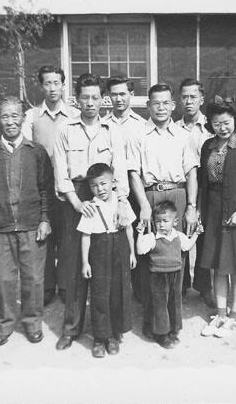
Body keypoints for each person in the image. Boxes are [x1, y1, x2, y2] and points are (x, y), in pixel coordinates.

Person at [53, 73, 132, 351]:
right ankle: (71, 329)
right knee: (77, 266)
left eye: (95, 97)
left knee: (109, 268)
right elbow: (61, 174)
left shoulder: (113, 131)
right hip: (77, 198)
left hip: (106, 196)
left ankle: (110, 332)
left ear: (103, 99)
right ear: (76, 99)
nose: (90, 103)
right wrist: (76, 203)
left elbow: (120, 171)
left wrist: (122, 202)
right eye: (84, 97)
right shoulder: (65, 129)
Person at [0, 96, 53, 346]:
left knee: (33, 278)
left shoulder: (36, 152)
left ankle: (32, 323)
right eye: (5, 116)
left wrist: (44, 218)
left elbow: (45, 189)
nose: (11, 121)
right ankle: (5, 323)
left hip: (31, 226)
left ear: (22, 118)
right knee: (4, 279)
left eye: (15, 115)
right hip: (0, 227)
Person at [127, 82, 200, 340]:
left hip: (177, 194)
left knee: (176, 257)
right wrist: (144, 205)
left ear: (173, 105)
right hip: (151, 195)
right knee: (152, 260)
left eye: (165, 102)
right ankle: (155, 323)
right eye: (155, 103)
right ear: (148, 105)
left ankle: (173, 324)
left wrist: (191, 206)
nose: (160, 107)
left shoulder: (183, 135)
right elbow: (133, 173)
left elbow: (191, 172)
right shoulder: (138, 134)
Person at [198, 99, 236, 338]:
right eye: (216, 123)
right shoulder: (208, 146)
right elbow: (205, 181)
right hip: (214, 211)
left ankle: (235, 316)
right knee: (218, 265)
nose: (222, 127)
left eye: (226, 122)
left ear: (235, 120)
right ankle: (221, 314)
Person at [22, 65, 80, 306]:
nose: (53, 88)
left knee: (68, 237)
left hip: (67, 187)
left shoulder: (75, 115)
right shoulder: (31, 116)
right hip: (42, 188)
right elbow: (25, 151)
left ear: (63, 85)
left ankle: (66, 284)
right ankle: (47, 286)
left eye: (57, 83)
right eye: (48, 83)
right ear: (41, 85)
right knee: (44, 236)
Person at [78, 163, 136, 358]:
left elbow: (128, 228)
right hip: (99, 250)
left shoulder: (122, 204)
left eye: (103, 184)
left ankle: (113, 335)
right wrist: (85, 262)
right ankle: (100, 337)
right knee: (100, 294)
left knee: (119, 291)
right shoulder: (91, 207)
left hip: (120, 248)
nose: (100, 189)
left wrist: (132, 253)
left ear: (112, 182)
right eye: (94, 186)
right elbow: (85, 236)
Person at [136, 201, 202, 349]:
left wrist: (196, 233)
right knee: (159, 305)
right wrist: (140, 233)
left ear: (175, 221)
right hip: (158, 277)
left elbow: (188, 245)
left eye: (166, 221)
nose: (162, 225)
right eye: (158, 221)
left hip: (175, 276)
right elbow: (140, 250)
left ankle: (172, 329)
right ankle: (161, 334)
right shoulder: (152, 237)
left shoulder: (179, 236)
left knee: (174, 303)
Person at [103, 76, 146, 301]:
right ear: (108, 97)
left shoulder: (141, 125)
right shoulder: (103, 124)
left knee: (139, 238)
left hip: (138, 192)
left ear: (131, 94)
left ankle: (140, 290)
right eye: (114, 94)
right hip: (113, 195)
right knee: (116, 241)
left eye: (123, 94)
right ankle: (119, 291)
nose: (118, 99)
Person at [175, 78, 214, 307]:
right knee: (181, 233)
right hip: (183, 186)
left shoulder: (210, 128)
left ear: (202, 99)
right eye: (185, 97)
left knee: (204, 236)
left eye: (193, 97)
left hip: (208, 186)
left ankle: (204, 286)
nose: (188, 101)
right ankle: (181, 285)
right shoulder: (173, 127)